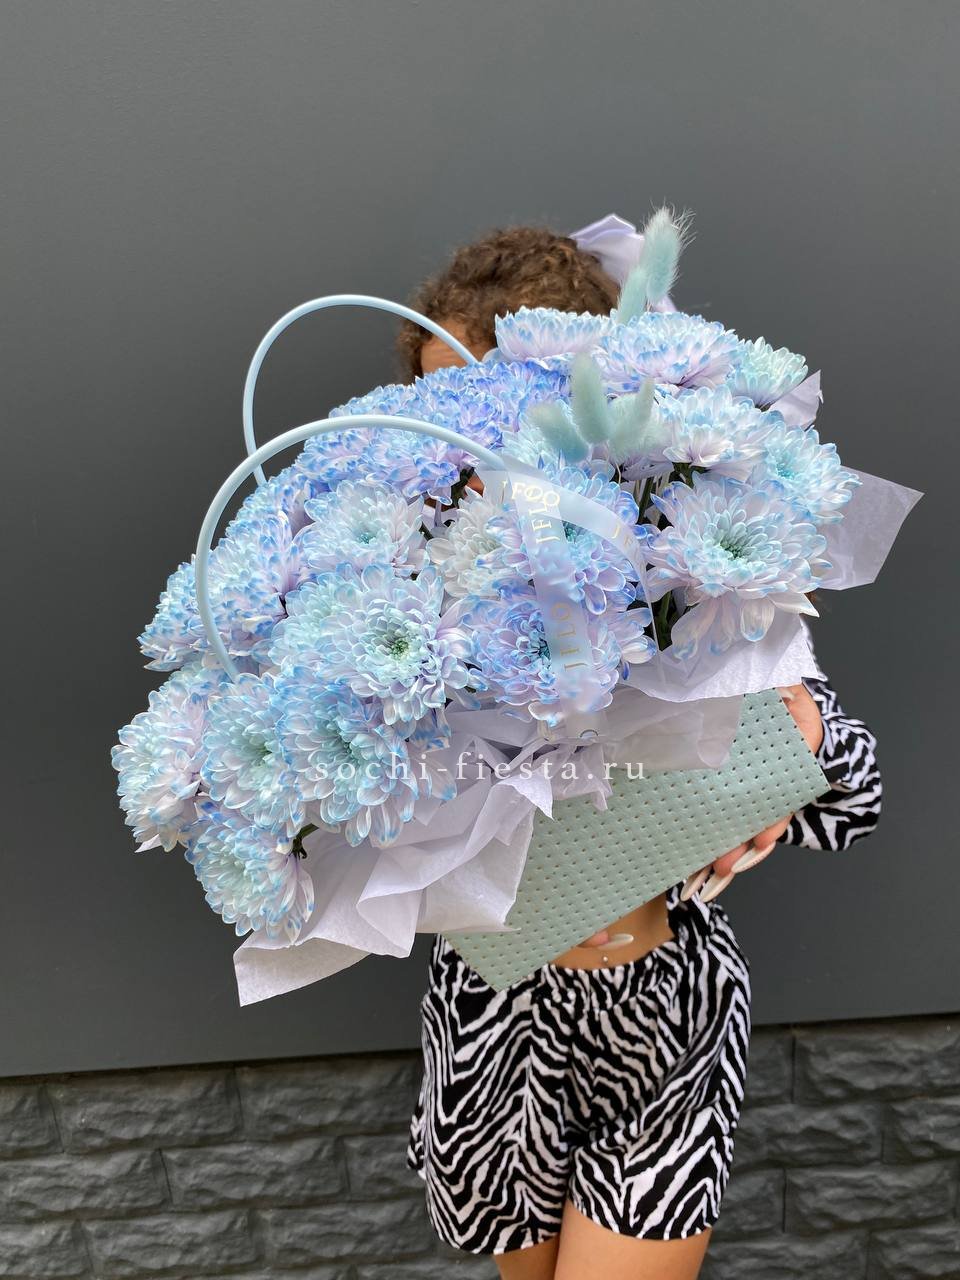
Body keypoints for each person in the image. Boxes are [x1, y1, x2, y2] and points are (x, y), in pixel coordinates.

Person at [398, 225, 883, 1280]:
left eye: (493, 397)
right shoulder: (392, 587)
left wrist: (794, 736)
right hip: (494, 1017)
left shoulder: (675, 562)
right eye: (438, 401)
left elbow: (851, 788)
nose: (466, 436)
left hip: (664, 1013)